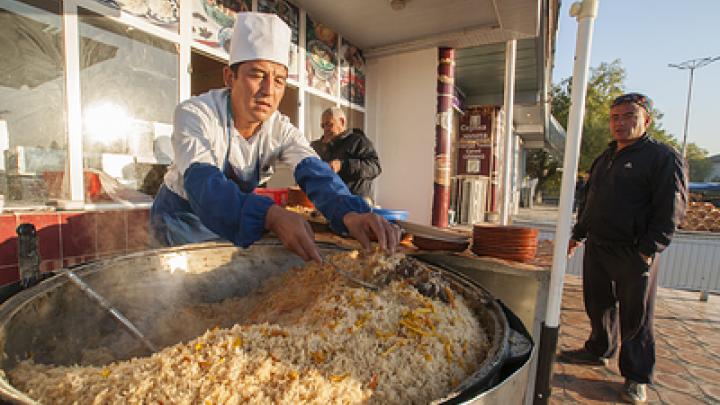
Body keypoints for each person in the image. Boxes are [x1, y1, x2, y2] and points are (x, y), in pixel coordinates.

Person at [150, 13, 400, 262]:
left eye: (279, 80)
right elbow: (204, 184)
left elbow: (315, 171)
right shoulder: (196, 114)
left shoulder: (280, 129)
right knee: (180, 291)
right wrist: (269, 215)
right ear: (229, 77)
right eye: (257, 75)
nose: (268, 91)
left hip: (231, 218)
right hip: (181, 219)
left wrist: (349, 213)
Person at [560, 93, 688, 404]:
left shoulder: (662, 157)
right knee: (598, 303)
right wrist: (578, 234)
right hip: (599, 246)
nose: (620, 123)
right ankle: (598, 350)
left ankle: (636, 376)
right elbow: (590, 200)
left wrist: (648, 249)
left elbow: (671, 210)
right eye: (615, 117)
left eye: (629, 116)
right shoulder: (605, 157)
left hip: (634, 252)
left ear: (646, 120)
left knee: (636, 316)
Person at [310, 107, 381, 204]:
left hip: (357, 204)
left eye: (329, 124)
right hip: (331, 204)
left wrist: (342, 165)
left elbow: (375, 167)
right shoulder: (318, 146)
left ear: (342, 122)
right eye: (323, 126)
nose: (325, 129)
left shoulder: (358, 141)